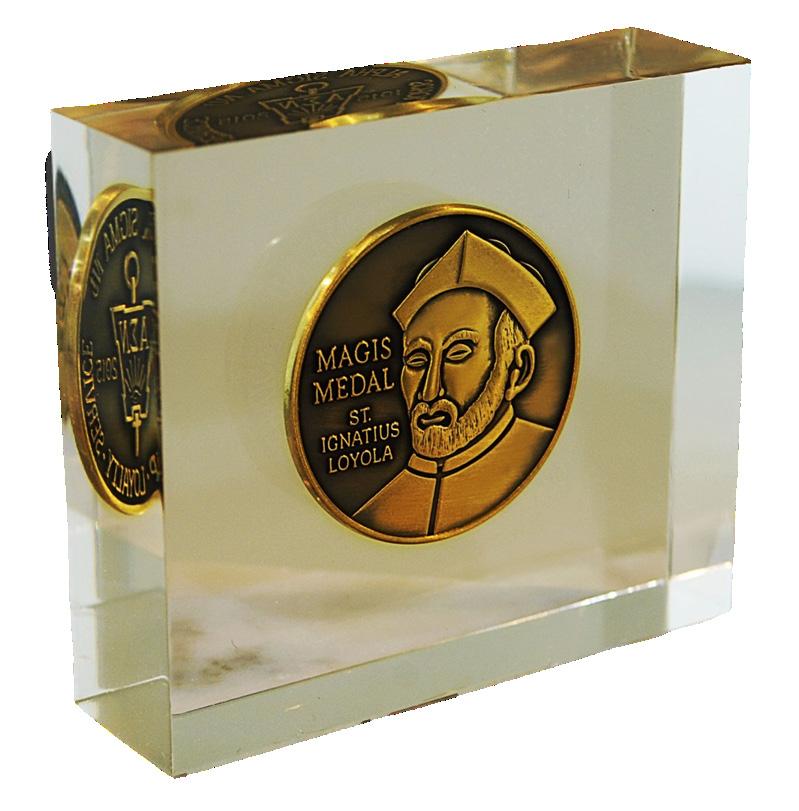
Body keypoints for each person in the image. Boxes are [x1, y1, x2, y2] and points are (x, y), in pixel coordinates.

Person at [354, 230, 557, 538]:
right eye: (417, 360)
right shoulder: (377, 513)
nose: (430, 391)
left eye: (457, 354)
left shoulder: (550, 469)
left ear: (517, 370)